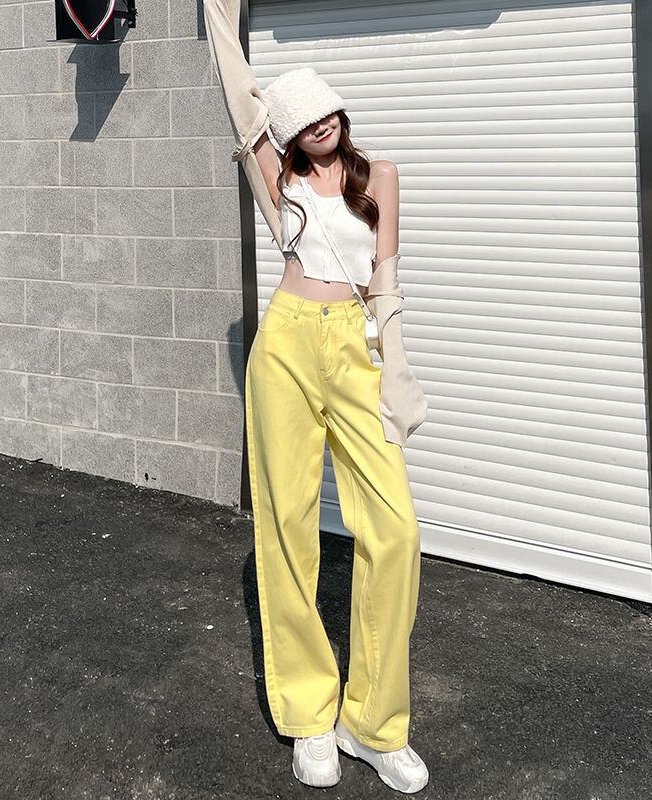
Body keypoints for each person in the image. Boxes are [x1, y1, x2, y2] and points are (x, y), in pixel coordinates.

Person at [203, 3, 429, 794]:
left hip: (353, 350)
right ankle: (308, 715)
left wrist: (396, 367)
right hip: (286, 346)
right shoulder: (279, 179)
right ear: (291, 134)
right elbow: (239, 96)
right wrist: (219, 13)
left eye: (326, 111)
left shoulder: (381, 178)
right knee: (288, 525)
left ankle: (373, 724)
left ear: (339, 112)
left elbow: (385, 284)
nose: (320, 125)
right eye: (302, 120)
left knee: (395, 532)